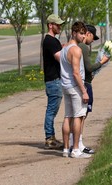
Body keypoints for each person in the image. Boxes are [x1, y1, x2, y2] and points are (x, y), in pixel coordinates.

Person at [68, 24, 109, 154]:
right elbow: (89, 67)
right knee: (81, 116)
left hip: (76, 83)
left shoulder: (74, 47)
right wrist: (102, 62)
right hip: (85, 84)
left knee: (75, 115)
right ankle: (78, 144)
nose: (92, 41)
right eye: (93, 38)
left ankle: (73, 143)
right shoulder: (83, 48)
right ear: (88, 34)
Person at [60, 21, 91, 158]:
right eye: (81, 33)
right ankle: (76, 149)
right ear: (74, 33)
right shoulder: (76, 50)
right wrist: (84, 91)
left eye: (84, 33)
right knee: (78, 116)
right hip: (74, 86)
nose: (83, 36)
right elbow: (76, 73)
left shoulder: (64, 48)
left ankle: (66, 149)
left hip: (65, 86)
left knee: (68, 116)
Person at [43, 14, 65, 149]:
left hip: (54, 80)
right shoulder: (50, 41)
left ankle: (51, 137)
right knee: (51, 111)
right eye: (57, 25)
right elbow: (60, 58)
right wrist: (69, 49)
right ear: (50, 25)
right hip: (54, 80)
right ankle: (49, 138)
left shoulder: (52, 41)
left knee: (52, 110)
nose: (60, 27)